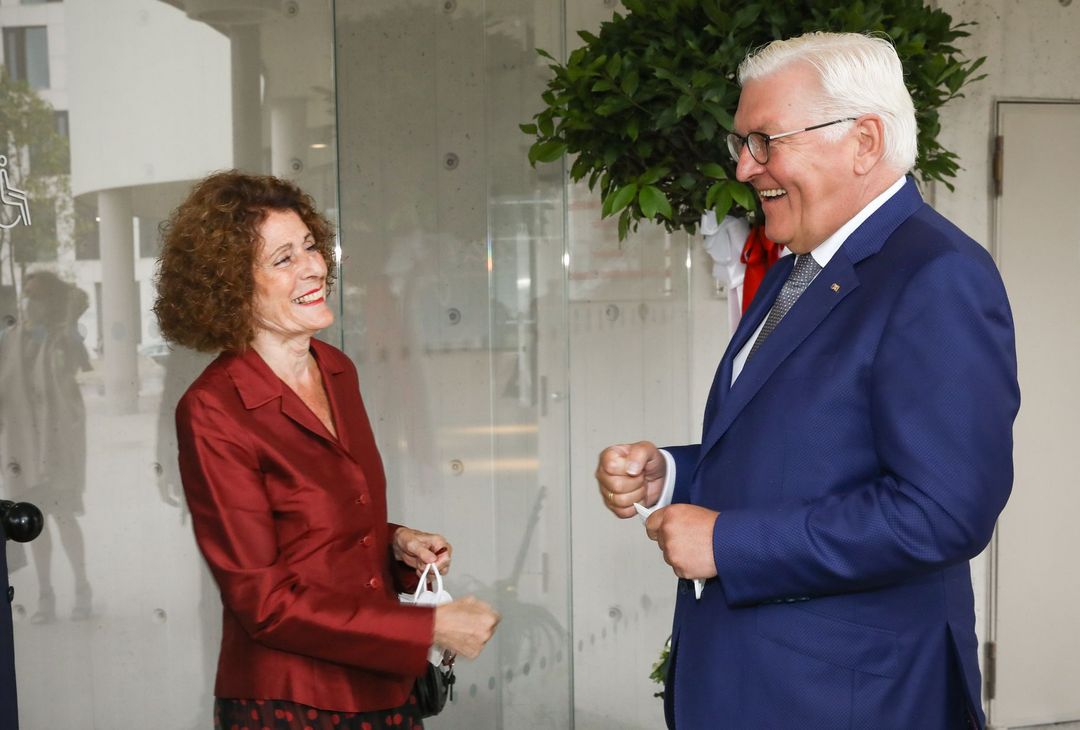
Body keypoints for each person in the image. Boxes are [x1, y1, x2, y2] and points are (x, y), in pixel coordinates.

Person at [595, 32, 1018, 729]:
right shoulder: (804, 263)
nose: (742, 167)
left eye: (764, 140)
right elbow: (806, 452)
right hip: (768, 684)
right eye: (740, 143)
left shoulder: (937, 276)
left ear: (864, 141)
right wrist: (672, 474)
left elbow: (942, 514)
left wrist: (728, 542)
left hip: (853, 700)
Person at [153, 171, 500, 729]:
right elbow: (262, 601)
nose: (314, 266)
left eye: (310, 246)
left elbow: (324, 527)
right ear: (231, 286)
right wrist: (428, 629)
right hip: (290, 702)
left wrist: (397, 544)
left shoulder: (337, 370)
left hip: (385, 689)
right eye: (283, 259)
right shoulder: (213, 409)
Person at [0, 270, 93, 623]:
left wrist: (66, 313)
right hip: (23, 449)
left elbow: (79, 299)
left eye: (36, 296)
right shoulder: (8, 340)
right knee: (32, 525)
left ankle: (82, 588)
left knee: (65, 518)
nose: (28, 302)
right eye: (26, 294)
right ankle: (45, 595)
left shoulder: (62, 339)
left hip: (55, 448)